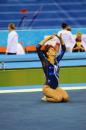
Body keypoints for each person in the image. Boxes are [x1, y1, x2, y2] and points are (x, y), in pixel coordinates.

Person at [36, 34, 69, 102]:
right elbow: (37, 47)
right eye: (52, 49)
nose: (54, 50)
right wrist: (48, 38)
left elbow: (63, 49)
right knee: (58, 98)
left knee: (66, 98)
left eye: (54, 49)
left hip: (56, 87)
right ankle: (46, 97)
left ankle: (53, 94)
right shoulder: (45, 62)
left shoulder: (57, 60)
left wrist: (60, 39)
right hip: (47, 88)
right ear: (48, 53)